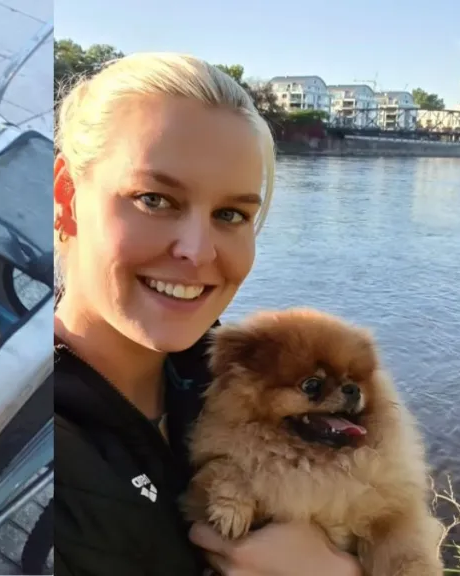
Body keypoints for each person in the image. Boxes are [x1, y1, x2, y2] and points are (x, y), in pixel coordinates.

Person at [52, 53, 363, 576]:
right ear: (66, 198)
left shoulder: (235, 373)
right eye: (155, 199)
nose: (197, 251)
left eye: (230, 214)